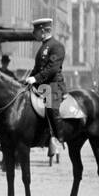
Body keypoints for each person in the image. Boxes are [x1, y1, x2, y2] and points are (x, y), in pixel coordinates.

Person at [23, 15, 67, 160]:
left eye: (36, 31)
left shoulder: (57, 46)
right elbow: (37, 68)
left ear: (43, 31)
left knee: (50, 107)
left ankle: (58, 139)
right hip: (42, 85)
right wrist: (27, 80)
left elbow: (52, 69)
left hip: (54, 84)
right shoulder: (43, 47)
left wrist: (35, 78)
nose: (34, 34)